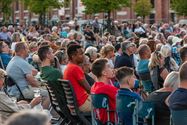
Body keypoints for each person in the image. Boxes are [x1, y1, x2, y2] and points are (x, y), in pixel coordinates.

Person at [6, 42, 49, 108]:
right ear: (23, 50)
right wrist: (41, 86)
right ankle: (41, 116)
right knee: (47, 93)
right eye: (27, 48)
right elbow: (32, 81)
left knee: (42, 90)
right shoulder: (21, 62)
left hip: (13, 91)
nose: (28, 50)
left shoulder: (14, 60)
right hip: (21, 92)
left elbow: (33, 73)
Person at [63, 44, 91, 112]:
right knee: (107, 103)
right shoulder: (75, 68)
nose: (83, 56)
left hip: (76, 102)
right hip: (82, 103)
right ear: (73, 56)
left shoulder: (69, 67)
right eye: (81, 54)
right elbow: (89, 89)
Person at [91, 58, 118, 124]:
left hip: (100, 120)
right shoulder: (106, 88)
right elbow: (124, 96)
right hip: (113, 120)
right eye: (109, 67)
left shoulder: (94, 86)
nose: (112, 68)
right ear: (104, 73)